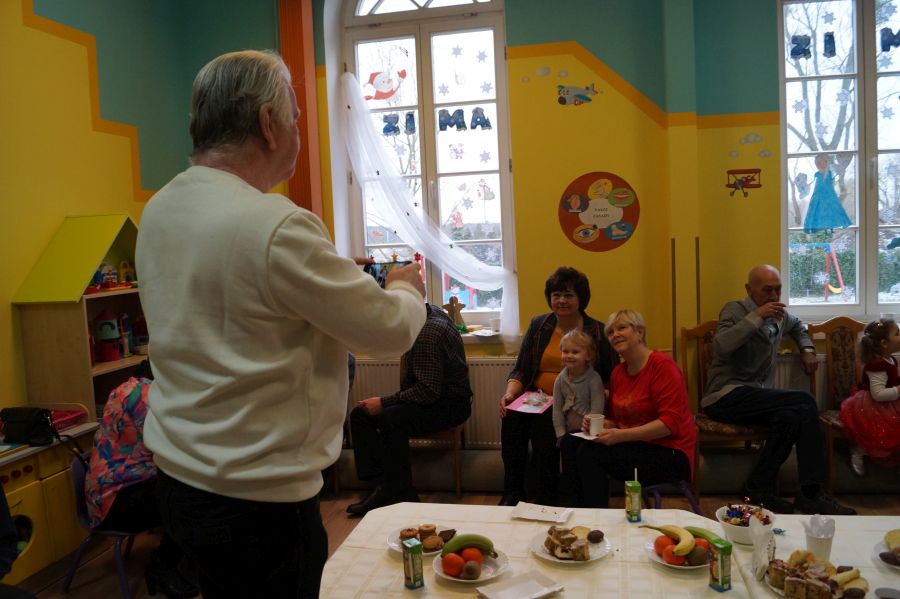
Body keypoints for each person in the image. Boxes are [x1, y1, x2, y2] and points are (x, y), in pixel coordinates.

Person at [135, 50, 427, 599]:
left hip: (180, 479)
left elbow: (234, 297)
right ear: (268, 123)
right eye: (294, 116)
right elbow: (388, 330)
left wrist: (325, 271)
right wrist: (406, 286)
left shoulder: (162, 208)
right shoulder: (276, 224)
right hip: (256, 505)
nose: (298, 129)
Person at [702, 264, 855, 515]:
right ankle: (812, 494)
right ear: (749, 290)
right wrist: (756, 316)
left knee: (790, 417)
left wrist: (807, 349)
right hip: (724, 396)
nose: (774, 296)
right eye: (767, 290)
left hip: (755, 395)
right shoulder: (735, 309)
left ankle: (758, 487)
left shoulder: (780, 316)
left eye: (778, 289)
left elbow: (798, 327)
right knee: (805, 401)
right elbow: (721, 346)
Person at [497, 267, 617, 506]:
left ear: (581, 298)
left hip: (575, 402)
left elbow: (612, 375)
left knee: (544, 427)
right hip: (535, 398)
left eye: (568, 295)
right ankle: (513, 492)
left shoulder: (596, 330)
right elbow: (521, 368)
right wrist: (510, 394)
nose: (561, 300)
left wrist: (601, 395)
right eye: (556, 295)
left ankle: (546, 496)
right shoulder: (539, 325)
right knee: (510, 418)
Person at [346, 303, 472, 516]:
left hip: (450, 405)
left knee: (391, 418)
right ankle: (382, 483)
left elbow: (427, 391)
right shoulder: (431, 312)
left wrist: (383, 402)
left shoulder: (427, 335)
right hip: (437, 398)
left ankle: (400, 490)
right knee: (360, 415)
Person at [84, 361, 197, 599]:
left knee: (182, 492)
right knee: (183, 500)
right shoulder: (145, 396)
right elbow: (175, 443)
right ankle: (163, 566)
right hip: (116, 499)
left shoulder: (126, 387)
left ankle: (176, 563)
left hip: (106, 492)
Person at [565, 310, 696, 508]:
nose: (615, 334)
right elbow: (615, 420)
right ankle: (573, 510)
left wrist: (620, 436)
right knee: (570, 441)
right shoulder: (618, 372)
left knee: (590, 453)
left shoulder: (662, 366)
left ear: (640, 332)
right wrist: (599, 424)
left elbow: (670, 424)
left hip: (670, 452)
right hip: (634, 444)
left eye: (622, 328)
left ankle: (595, 515)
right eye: (610, 332)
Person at [839, 318, 900, 475]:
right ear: (884, 343)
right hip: (873, 405)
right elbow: (878, 394)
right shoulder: (877, 365)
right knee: (880, 434)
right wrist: (898, 389)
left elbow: (891, 381)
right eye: (897, 334)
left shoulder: (891, 360)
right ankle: (859, 450)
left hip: (889, 401)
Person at [551, 330, 604, 442]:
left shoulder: (594, 379)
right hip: (567, 431)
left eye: (575, 352)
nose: (569, 356)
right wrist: (560, 434)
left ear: (588, 356)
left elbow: (597, 409)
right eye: (565, 351)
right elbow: (557, 410)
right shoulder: (560, 379)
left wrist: (590, 430)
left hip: (588, 433)